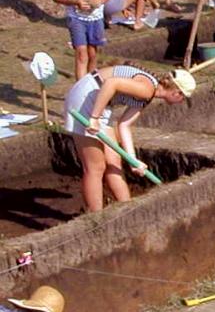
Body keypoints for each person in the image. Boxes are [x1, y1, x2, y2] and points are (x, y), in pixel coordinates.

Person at [63, 64, 195, 211]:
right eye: (183, 98)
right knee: (96, 167)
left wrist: (133, 160)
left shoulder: (148, 95)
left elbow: (124, 125)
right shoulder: (147, 89)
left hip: (102, 104)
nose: (181, 102)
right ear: (177, 92)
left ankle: (128, 210)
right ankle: (96, 218)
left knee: (114, 161)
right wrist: (95, 117)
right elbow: (111, 83)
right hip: (87, 98)